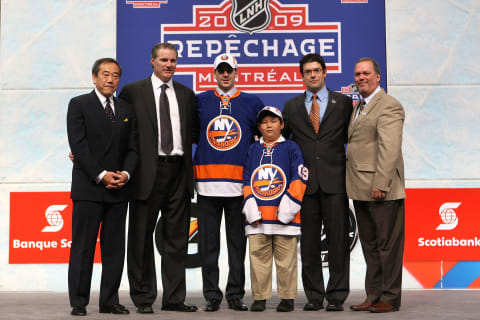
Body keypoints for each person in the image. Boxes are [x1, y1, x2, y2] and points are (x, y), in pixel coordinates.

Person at [118, 42, 199, 313]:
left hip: (179, 173)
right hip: (145, 174)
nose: (169, 65)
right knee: (140, 238)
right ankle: (143, 298)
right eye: (163, 60)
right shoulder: (132, 92)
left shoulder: (187, 95)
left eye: (173, 60)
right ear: (151, 61)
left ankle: (174, 299)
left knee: (177, 240)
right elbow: (120, 133)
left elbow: (194, 134)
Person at [67, 58, 138, 316]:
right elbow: (79, 146)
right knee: (83, 247)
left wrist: (126, 175)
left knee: (114, 250)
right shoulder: (79, 104)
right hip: (89, 188)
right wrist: (101, 174)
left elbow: (134, 148)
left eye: (116, 75)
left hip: (119, 189)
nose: (110, 80)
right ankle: (79, 302)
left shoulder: (125, 108)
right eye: (105, 74)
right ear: (94, 77)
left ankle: (109, 301)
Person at [194, 53, 264, 312]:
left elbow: (265, 135)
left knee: (237, 245)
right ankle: (212, 295)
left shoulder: (251, 102)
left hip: (239, 188)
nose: (225, 74)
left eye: (229, 70)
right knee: (208, 245)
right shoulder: (200, 101)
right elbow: (189, 134)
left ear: (236, 72)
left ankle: (235, 294)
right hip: (207, 186)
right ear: (214, 73)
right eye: (221, 70)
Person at [282, 53, 352, 311]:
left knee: (338, 242)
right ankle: (314, 296)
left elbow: (354, 140)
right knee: (309, 244)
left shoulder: (343, 103)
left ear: (324, 73)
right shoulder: (290, 107)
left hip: (336, 183)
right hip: (305, 187)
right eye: (307, 71)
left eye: (316, 70)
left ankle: (336, 296)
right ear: (301, 76)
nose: (312, 75)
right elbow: (284, 144)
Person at [347, 57, 405, 313]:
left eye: (366, 73)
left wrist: (381, 182)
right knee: (370, 246)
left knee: (387, 246)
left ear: (378, 77)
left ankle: (390, 298)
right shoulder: (359, 106)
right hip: (361, 188)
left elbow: (389, 148)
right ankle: (373, 295)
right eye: (358, 74)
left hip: (382, 189)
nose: (361, 78)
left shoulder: (389, 105)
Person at [242, 106, 308, 312]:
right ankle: (260, 297)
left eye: (273, 121)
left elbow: (299, 178)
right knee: (258, 258)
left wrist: (288, 210)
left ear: (282, 124)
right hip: (258, 218)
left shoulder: (291, 148)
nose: (268, 125)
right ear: (259, 127)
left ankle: (287, 297)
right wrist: (250, 208)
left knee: (286, 260)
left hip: (284, 218)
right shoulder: (253, 149)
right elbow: (246, 179)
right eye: (264, 122)